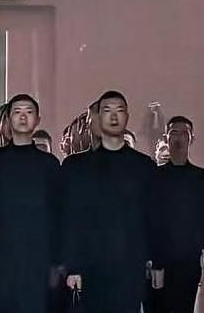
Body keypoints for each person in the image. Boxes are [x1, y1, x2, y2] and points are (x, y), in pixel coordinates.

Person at [62, 90, 155, 313]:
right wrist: (72, 266)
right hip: (89, 266)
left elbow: (153, 218)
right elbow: (69, 220)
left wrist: (154, 261)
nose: (113, 116)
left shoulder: (144, 167)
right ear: (98, 117)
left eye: (119, 110)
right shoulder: (76, 168)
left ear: (127, 117)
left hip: (130, 265)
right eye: (107, 110)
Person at [0, 94, 60, 313]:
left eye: (29, 112)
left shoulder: (49, 165)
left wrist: (59, 262)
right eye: (17, 112)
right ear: (9, 120)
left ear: (38, 120)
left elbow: (59, 214)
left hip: (38, 258)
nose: (23, 117)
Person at [150, 116, 204, 313]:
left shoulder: (203, 179)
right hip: (159, 258)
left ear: (191, 139)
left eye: (184, 134)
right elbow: (147, 218)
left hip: (189, 258)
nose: (178, 138)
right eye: (174, 133)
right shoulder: (154, 178)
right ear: (166, 138)